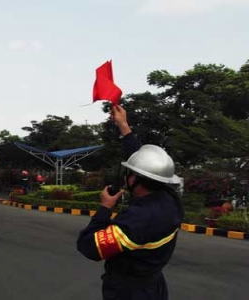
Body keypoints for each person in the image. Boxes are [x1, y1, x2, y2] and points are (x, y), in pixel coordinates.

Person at [76, 105, 183, 300]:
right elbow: (143, 163)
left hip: (130, 292)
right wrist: (123, 126)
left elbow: (89, 247)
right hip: (154, 285)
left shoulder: (138, 220)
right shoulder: (169, 197)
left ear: (135, 179)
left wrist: (105, 208)